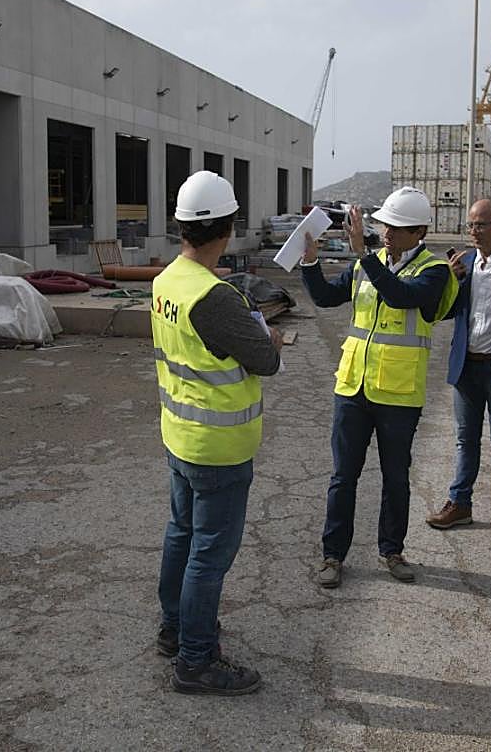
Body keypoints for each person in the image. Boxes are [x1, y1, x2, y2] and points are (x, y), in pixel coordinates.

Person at [152, 170, 283, 696]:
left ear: (180, 227)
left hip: (180, 435)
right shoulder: (216, 296)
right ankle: (196, 660)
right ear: (228, 228)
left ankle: (175, 628)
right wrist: (268, 336)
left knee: (181, 533)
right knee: (209, 553)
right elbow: (265, 361)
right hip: (219, 447)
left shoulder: (167, 282)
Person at [301, 187, 459, 588]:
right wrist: (311, 263)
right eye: (386, 225)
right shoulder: (362, 268)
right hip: (353, 388)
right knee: (343, 477)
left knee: (395, 478)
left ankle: (392, 550)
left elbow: (403, 296)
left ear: (420, 231)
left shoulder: (434, 270)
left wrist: (364, 255)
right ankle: (332, 555)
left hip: (398, 395)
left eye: (399, 227)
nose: (388, 233)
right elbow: (323, 297)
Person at [427, 197, 491, 546]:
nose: (474, 232)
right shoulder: (465, 263)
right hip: (466, 366)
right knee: (465, 440)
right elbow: (446, 312)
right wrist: (449, 281)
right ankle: (460, 503)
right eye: (470, 225)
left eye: (481, 225)